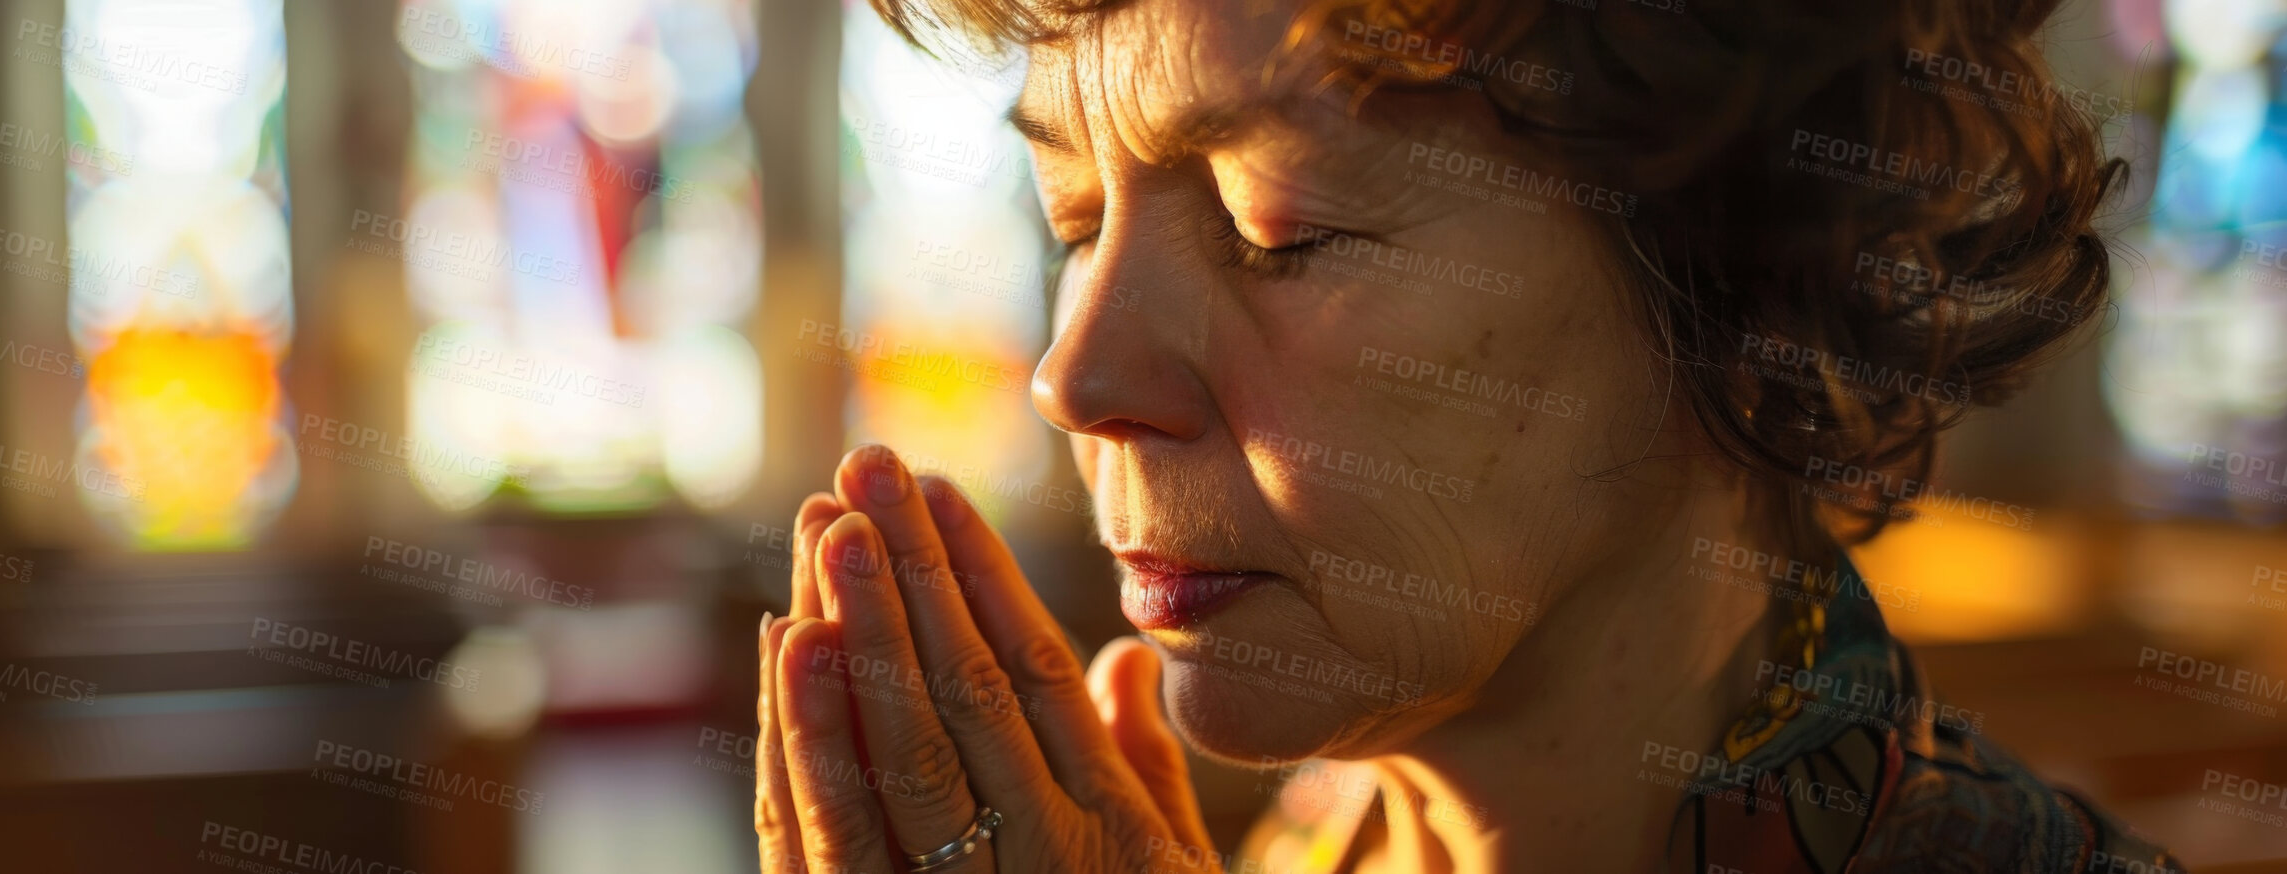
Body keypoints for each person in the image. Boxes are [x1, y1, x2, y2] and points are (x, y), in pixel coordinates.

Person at [754, 0, 2183, 870]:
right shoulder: (1324, 829)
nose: (1073, 374)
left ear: (1749, 273)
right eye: (1079, 220)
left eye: (1282, 227)